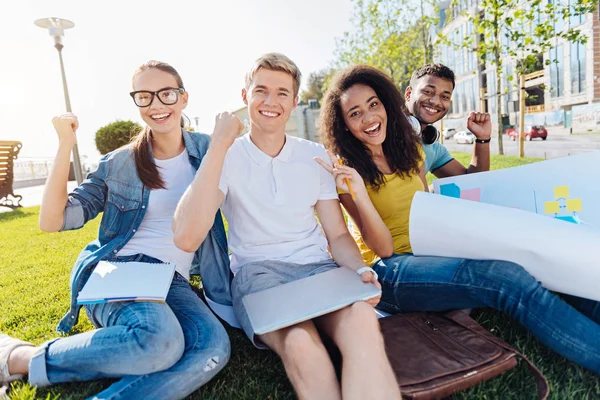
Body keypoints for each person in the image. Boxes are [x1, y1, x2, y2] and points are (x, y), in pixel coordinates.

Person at [316, 64, 600, 375]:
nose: (369, 118)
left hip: (434, 246)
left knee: (539, 257)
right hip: (392, 269)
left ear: (385, 102)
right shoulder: (346, 171)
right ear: (343, 125)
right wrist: (358, 191)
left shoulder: (409, 149)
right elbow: (383, 249)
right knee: (505, 279)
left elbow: (460, 188)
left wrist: (483, 141)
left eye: (373, 104)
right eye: (355, 113)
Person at [173, 53, 401, 400]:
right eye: (261, 90)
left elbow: (337, 234)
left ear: (294, 101)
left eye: (282, 93)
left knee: (362, 321)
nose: (270, 101)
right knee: (298, 341)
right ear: (245, 95)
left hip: (319, 269)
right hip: (259, 275)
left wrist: (357, 269)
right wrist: (218, 146)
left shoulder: (314, 155)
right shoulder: (226, 155)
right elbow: (187, 236)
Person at [0, 61, 230, 400]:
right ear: (135, 102)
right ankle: (16, 357)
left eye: (166, 94)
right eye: (144, 96)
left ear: (183, 98)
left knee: (211, 348)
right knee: (157, 342)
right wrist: (65, 144)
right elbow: (53, 220)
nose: (156, 104)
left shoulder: (211, 149)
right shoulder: (119, 162)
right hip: (120, 269)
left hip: (173, 280)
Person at [405, 64, 491, 178]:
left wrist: (483, 139)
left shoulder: (431, 146)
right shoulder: (381, 131)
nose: (436, 102)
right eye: (428, 91)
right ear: (408, 94)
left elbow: (470, 181)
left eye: (444, 97)